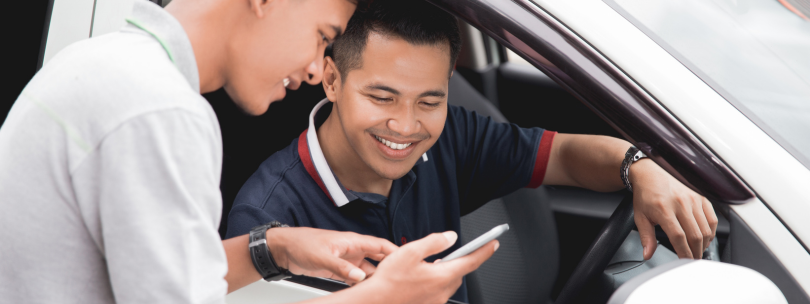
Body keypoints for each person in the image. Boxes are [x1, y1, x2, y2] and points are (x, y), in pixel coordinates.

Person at [0, 0, 496, 303]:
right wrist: (380, 299)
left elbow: (167, 276)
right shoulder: (157, 110)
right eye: (322, 36)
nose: (312, 70)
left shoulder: (107, 66)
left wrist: (274, 249)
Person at [225, 0, 720, 302]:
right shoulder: (268, 216)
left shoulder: (451, 138)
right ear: (332, 80)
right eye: (381, 97)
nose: (405, 125)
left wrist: (640, 167)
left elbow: (564, 155)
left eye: (429, 100)